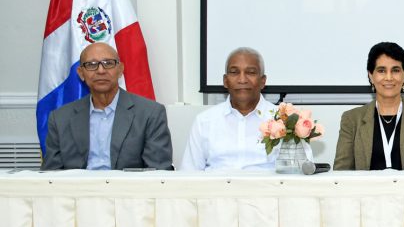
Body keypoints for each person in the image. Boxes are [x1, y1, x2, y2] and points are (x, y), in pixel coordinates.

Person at [42, 42, 172, 170]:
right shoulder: (60, 118)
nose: (101, 70)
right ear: (81, 73)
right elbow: (51, 175)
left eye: (108, 63)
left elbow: (158, 172)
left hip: (126, 184)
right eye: (91, 65)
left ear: (120, 70)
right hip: (79, 184)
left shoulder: (150, 113)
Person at [179, 48, 311, 171]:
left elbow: (303, 172)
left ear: (263, 81)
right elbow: (188, 174)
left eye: (251, 72)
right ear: (225, 81)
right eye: (234, 72)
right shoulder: (204, 121)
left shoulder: (286, 120)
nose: (242, 79)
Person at [334, 42, 404, 170]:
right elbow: (341, 173)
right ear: (371, 75)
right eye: (381, 71)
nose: (389, 77)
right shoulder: (351, 119)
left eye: (395, 70)